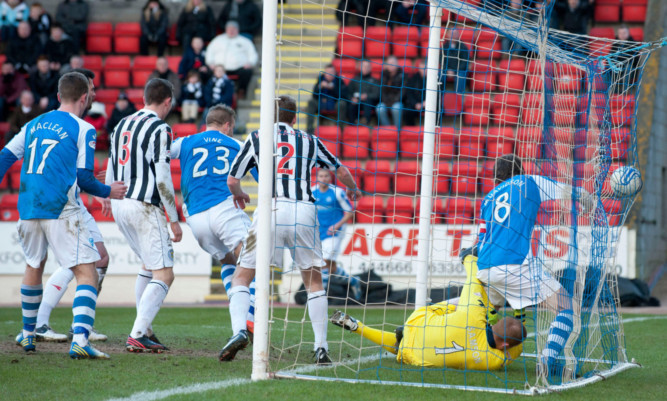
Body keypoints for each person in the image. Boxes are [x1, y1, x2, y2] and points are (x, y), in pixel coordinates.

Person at [220, 95, 362, 364]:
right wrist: (353, 189)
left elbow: (232, 180)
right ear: (294, 118)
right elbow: (341, 171)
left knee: (241, 277)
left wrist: (239, 194)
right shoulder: (309, 139)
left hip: (269, 210)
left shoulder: (257, 137)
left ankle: (239, 330)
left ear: (268, 116)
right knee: (314, 281)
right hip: (304, 211)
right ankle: (321, 347)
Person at [0, 71, 127, 358]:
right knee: (87, 272)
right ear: (85, 98)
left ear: (58, 96)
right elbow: (84, 178)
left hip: (28, 206)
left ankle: (28, 334)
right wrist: (110, 191)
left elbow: (5, 157)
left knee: (34, 265)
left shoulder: (33, 123)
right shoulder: (83, 129)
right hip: (59, 208)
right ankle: (81, 339)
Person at [474, 154, 594, 384]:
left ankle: (463, 346)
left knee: (485, 310)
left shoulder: (488, 198)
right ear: (519, 171)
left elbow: (480, 238)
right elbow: (571, 192)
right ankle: (547, 362)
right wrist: (586, 199)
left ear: (495, 177)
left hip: (485, 267)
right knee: (566, 308)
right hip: (514, 265)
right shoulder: (529, 182)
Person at [30, 68, 113, 343]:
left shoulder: (75, 124)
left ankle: (80, 323)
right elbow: (74, 173)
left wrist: (94, 192)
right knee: (82, 261)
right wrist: (102, 189)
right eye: (90, 89)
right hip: (65, 205)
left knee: (99, 258)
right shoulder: (77, 126)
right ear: (81, 93)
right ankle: (44, 323)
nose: (93, 94)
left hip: (74, 200)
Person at [330, 254, 526, 370]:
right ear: (507, 345)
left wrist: (469, 256)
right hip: (415, 355)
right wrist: (519, 312)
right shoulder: (494, 362)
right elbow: (516, 348)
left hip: (417, 322)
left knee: (459, 303)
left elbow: (474, 276)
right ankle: (358, 327)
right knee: (404, 348)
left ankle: (361, 327)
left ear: (493, 324)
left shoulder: (473, 316)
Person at [170, 104, 258, 343]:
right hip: (224, 207)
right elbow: (261, 173)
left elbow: (158, 154)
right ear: (228, 125)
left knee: (228, 260)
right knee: (252, 261)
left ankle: (240, 324)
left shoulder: (186, 142)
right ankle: (249, 318)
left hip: (196, 218)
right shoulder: (237, 144)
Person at [106, 78, 182, 353]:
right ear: (167, 102)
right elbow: (162, 176)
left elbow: (112, 164)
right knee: (165, 274)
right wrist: (173, 218)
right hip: (143, 205)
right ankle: (138, 333)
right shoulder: (161, 128)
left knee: (149, 267)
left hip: (119, 204)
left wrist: (106, 194)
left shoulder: (121, 124)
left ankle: (145, 330)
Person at [311, 168, 360, 299]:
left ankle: (322, 295)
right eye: (321, 176)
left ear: (330, 178)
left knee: (323, 261)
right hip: (318, 232)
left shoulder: (338, 193)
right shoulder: (312, 192)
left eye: (326, 176)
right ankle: (354, 281)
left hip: (334, 232)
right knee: (331, 267)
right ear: (317, 177)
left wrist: (337, 225)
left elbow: (350, 212)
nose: (323, 179)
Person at [205, 20, 258, 98]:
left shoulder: (245, 41)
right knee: (206, 72)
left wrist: (250, 63)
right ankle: (209, 93)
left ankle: (241, 90)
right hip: (219, 68)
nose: (231, 31)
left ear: (237, 30)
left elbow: (253, 54)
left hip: (238, 68)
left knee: (247, 72)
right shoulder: (218, 40)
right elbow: (209, 52)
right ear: (226, 29)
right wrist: (210, 63)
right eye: (229, 29)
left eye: (234, 29)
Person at [306, 64, 345, 132]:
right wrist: (319, 87)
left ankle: (340, 129)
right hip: (322, 103)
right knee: (311, 102)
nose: (329, 74)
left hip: (334, 104)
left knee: (341, 104)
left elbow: (344, 95)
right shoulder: (320, 79)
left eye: (331, 72)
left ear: (335, 73)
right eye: (327, 73)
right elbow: (314, 95)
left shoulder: (339, 80)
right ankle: (309, 130)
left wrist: (333, 89)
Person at [344, 59, 380, 125]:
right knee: (352, 104)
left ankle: (365, 122)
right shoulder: (355, 79)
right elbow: (348, 92)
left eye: (367, 66)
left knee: (368, 101)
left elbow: (377, 94)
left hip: (369, 104)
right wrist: (351, 98)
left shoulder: (374, 80)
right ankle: (353, 123)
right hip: (357, 102)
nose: (365, 68)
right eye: (363, 66)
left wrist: (367, 96)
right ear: (360, 67)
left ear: (370, 68)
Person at [376, 55, 404, 129]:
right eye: (389, 63)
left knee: (396, 108)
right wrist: (386, 101)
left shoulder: (403, 75)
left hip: (397, 102)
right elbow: (381, 91)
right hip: (386, 102)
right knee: (380, 108)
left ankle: (397, 130)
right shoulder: (383, 75)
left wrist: (394, 101)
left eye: (393, 63)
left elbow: (403, 92)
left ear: (397, 64)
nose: (391, 65)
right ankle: (388, 130)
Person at [441, 28, 469, 94]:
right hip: (446, 70)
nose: (453, 36)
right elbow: (441, 60)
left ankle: (458, 96)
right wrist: (447, 69)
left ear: (458, 35)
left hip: (459, 70)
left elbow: (464, 62)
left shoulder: (463, 46)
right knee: (438, 75)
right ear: (447, 35)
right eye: (451, 34)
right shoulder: (444, 46)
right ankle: (439, 95)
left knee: (461, 76)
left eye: (455, 34)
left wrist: (455, 71)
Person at [402, 60, 425, 126]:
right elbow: (409, 93)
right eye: (422, 68)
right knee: (407, 111)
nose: (424, 70)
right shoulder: (413, 79)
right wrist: (416, 104)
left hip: (430, 104)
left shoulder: (435, 79)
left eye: (425, 68)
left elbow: (438, 94)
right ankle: (412, 129)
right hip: (416, 104)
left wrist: (426, 103)